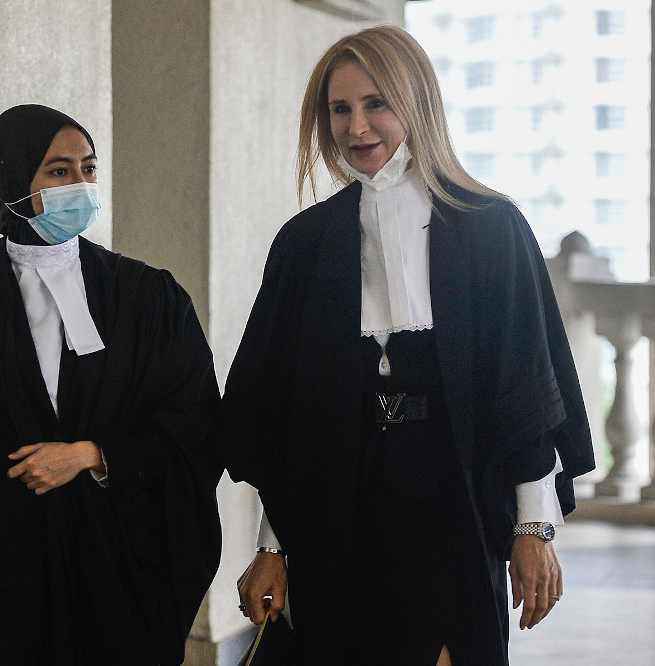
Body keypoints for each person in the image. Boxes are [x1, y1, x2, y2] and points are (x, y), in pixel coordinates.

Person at [217, 26, 594, 665]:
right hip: (343, 502)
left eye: (376, 103)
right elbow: (292, 421)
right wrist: (273, 545)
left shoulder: (490, 228)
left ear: (416, 105)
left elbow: (524, 385)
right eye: (341, 109)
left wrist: (533, 527)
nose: (357, 126)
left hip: (455, 497)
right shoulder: (306, 244)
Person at [0, 104, 222, 666]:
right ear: (13, 180)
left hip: (118, 585)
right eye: (59, 171)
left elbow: (194, 424)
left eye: (89, 168)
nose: (80, 184)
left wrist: (91, 455)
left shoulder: (148, 298)